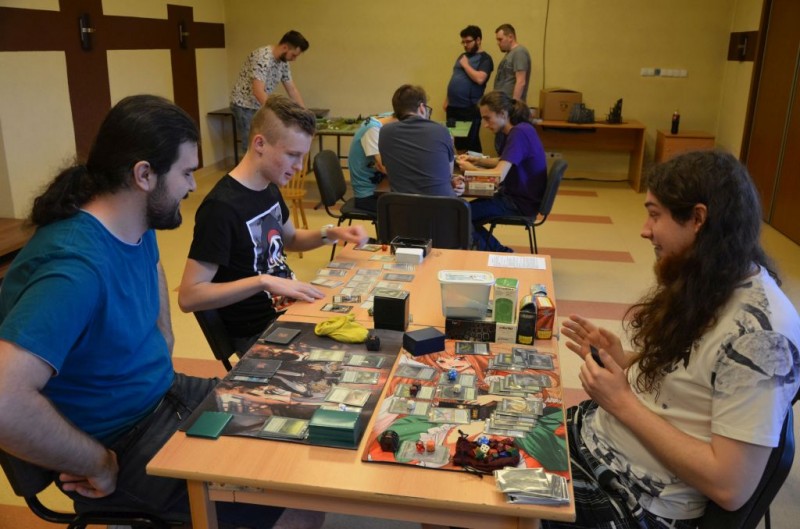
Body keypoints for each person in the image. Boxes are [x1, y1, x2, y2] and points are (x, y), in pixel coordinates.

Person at [0, 95, 323, 529]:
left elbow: (153, 269)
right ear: (144, 175)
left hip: (166, 395)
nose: (192, 186)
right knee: (296, 501)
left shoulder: (134, 223)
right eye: (186, 173)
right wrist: (96, 462)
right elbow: (5, 400)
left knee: (303, 429)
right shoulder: (74, 269)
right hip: (122, 441)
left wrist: (163, 341)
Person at [543, 151, 800, 529]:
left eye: (655, 214)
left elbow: (731, 486)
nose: (645, 230)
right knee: (492, 433)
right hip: (596, 443)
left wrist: (622, 402)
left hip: (633, 500)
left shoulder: (762, 336)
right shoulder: (710, 278)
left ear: (697, 219)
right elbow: (695, 379)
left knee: (484, 496)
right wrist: (625, 359)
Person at [179, 95, 368, 353]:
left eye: (302, 156)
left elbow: (291, 239)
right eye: (292, 155)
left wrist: (332, 233)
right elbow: (189, 296)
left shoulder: (269, 186)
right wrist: (263, 281)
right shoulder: (220, 208)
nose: (299, 166)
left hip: (289, 311)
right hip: (259, 333)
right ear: (260, 144)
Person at [457, 91, 546, 252]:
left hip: (518, 203)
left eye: (487, 118)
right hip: (520, 198)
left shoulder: (518, 133)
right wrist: (477, 160)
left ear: (503, 114)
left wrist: (471, 170)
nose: (485, 125)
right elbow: (505, 160)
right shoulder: (522, 129)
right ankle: (490, 251)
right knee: (462, 213)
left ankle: (502, 254)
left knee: (459, 216)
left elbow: (498, 175)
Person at [230, 30, 310, 158]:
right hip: (244, 105)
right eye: (293, 55)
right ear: (285, 47)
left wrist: (305, 114)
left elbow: (292, 89)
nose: (294, 59)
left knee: (264, 145)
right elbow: (258, 91)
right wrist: (277, 112)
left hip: (259, 106)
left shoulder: (283, 62)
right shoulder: (263, 57)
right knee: (251, 146)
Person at [379, 84, 465, 197]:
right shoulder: (441, 130)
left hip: (401, 205)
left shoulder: (385, 132)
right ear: (421, 107)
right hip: (441, 205)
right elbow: (448, 175)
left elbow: (391, 170)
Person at [444, 25, 494, 153]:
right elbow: (455, 77)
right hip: (453, 108)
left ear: (478, 40)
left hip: (469, 108)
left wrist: (466, 65)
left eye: (468, 41)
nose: (465, 45)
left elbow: (480, 79)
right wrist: (447, 99)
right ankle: (461, 165)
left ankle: (475, 165)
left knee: (471, 144)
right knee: (458, 142)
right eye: (463, 42)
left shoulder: (485, 59)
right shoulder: (462, 56)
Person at [348, 113, 397, 212]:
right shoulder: (372, 129)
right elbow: (383, 167)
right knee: (406, 211)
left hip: (377, 187)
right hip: (367, 195)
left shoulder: (386, 117)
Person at [493, 23, 531, 103]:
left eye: (500, 39)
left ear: (510, 37)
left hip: (510, 104)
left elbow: (521, 82)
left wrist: (514, 104)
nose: (498, 43)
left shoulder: (519, 52)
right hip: (502, 103)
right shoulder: (509, 54)